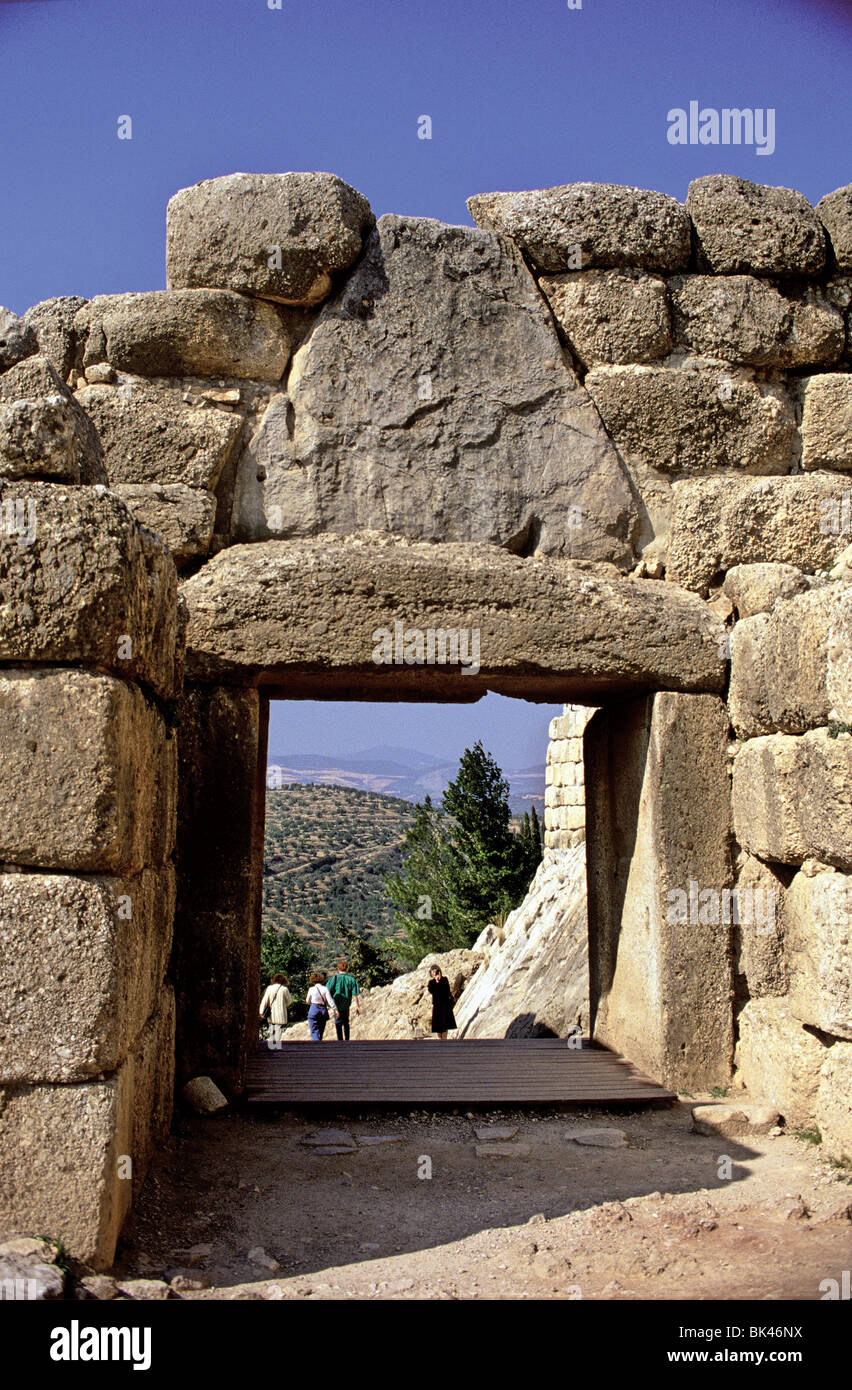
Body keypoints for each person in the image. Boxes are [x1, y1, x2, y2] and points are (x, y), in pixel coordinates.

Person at [324, 958, 362, 1042]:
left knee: (338, 1023)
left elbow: (327, 991)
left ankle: (340, 1041)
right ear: (346, 968)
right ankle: (347, 1040)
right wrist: (357, 1006)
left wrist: (326, 1004)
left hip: (336, 1005)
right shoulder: (351, 980)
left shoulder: (334, 979)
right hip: (346, 1005)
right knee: (346, 1023)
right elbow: (355, 994)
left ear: (338, 969)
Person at [259, 973, 292, 1048]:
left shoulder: (269, 988)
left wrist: (261, 1011)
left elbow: (265, 1000)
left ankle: (271, 1045)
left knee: (271, 1027)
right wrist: (283, 1004)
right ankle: (277, 1045)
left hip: (271, 1012)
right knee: (278, 1028)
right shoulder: (284, 989)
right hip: (281, 1012)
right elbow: (289, 1001)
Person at [306, 972, 339, 1042]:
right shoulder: (325, 989)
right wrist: (335, 1009)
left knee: (314, 1030)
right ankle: (319, 1042)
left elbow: (308, 1001)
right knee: (321, 1030)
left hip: (314, 1008)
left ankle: (316, 1045)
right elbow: (330, 1000)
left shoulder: (311, 989)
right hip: (323, 1010)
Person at [427, 964, 456, 1040]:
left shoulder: (444, 979)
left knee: (445, 1024)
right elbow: (431, 990)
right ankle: (440, 1039)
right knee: (438, 1024)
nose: (434, 973)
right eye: (432, 972)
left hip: (445, 1004)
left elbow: (447, 989)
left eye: (435, 971)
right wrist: (436, 981)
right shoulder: (431, 982)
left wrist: (440, 980)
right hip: (437, 1005)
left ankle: (445, 1038)